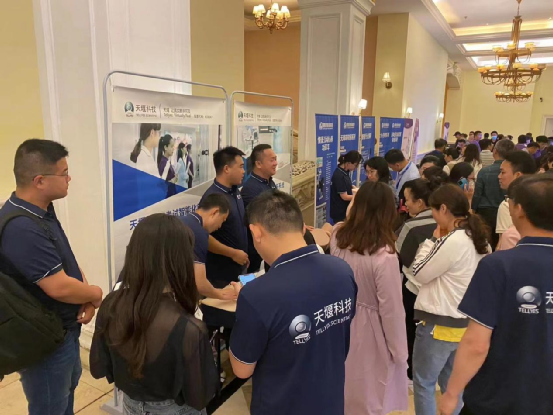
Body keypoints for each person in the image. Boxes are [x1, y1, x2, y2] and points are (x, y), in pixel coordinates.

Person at [229, 190, 357, 415]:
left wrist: (245, 307)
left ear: (256, 232)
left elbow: (241, 369)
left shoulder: (256, 295)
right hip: (331, 402)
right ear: (303, 227)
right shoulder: (342, 270)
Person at [0, 139, 103, 414]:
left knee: (65, 395)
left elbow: (64, 260)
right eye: (64, 173)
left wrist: (84, 296)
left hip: (64, 329)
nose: (69, 178)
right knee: (50, 405)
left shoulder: (41, 210)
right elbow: (58, 287)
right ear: (40, 181)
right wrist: (95, 294)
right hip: (45, 342)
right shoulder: (22, 227)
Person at [439, 175, 553, 415]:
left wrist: (451, 393)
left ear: (519, 209)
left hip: (500, 397)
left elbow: (477, 343)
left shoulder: (499, 265)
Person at [90, 214, 218, 415]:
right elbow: (199, 396)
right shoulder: (189, 328)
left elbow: (99, 368)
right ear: (181, 260)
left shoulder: (111, 304)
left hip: (130, 405)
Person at [410, 184, 490, 415]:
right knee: (452, 385)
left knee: (424, 383)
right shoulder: (480, 238)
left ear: (443, 209)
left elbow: (419, 272)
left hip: (438, 325)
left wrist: (432, 240)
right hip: (465, 325)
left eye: (433, 211)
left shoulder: (453, 240)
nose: (433, 217)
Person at [331, 181, 408, 415]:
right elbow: (391, 310)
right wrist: (400, 352)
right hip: (370, 329)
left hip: (338, 319)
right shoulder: (384, 255)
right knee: (368, 394)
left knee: (341, 387)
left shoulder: (339, 235)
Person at [396, 178, 442, 381]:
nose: (405, 204)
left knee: (411, 330)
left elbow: (400, 257)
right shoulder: (448, 222)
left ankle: (413, 371)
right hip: (441, 291)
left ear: (420, 202)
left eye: (407, 200)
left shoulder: (412, 226)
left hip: (414, 290)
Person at [201, 147, 248, 289]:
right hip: (221, 275)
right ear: (227, 169)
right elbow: (203, 236)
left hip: (240, 267)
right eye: (240, 167)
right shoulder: (213, 198)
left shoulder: (235, 191)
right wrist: (233, 254)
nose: (244, 171)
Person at [179, 193, 240, 300]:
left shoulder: (182, 220)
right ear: (215, 212)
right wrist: (220, 294)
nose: (220, 226)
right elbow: (200, 284)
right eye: (222, 220)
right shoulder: (199, 233)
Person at [471, 139, 515, 248]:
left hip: (485, 212)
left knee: (485, 243)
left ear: (495, 151)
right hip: (509, 212)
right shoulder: (514, 172)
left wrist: (473, 209)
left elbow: (477, 194)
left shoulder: (484, 171)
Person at [241, 144, 278, 272]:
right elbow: (261, 222)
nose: (275, 163)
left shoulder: (270, 182)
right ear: (258, 164)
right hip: (257, 254)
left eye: (275, 159)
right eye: (271, 160)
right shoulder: (251, 189)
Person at [495, 151, 537, 251]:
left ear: (518, 175)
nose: (499, 176)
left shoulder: (507, 205)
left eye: (503, 172)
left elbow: (503, 245)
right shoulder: (542, 198)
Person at [330, 150, 362, 223]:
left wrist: (353, 188)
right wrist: (359, 196)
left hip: (345, 210)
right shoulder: (339, 175)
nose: (356, 168)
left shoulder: (345, 172)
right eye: (355, 165)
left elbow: (346, 185)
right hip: (340, 212)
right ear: (348, 163)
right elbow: (344, 196)